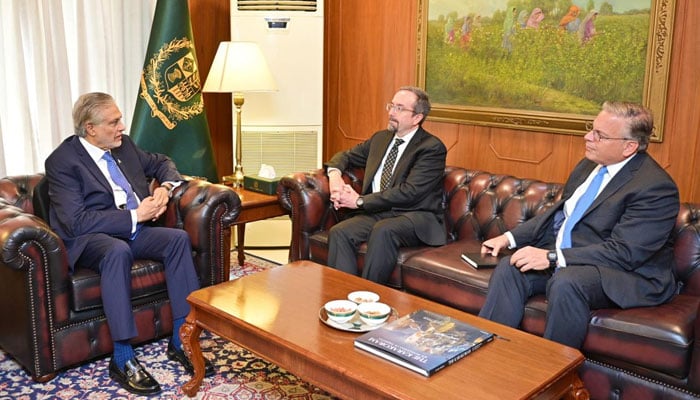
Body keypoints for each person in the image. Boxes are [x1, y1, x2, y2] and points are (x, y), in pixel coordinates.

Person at [44, 92, 215, 395]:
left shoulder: (124, 147)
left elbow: (163, 162)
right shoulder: (62, 162)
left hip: (134, 228)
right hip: (93, 239)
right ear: (90, 128)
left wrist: (165, 188)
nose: (122, 126)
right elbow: (76, 222)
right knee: (117, 251)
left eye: (119, 118)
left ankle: (181, 339)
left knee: (177, 240)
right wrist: (136, 215)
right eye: (113, 122)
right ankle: (123, 357)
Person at [477, 101, 679, 349]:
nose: (587, 137)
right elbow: (561, 212)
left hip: (626, 274)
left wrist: (552, 257)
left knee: (568, 282)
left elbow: (624, 253)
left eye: (599, 135)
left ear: (629, 147)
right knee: (511, 266)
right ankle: (488, 355)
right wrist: (509, 238)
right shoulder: (588, 165)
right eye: (591, 128)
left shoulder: (654, 187)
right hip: (575, 260)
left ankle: (553, 376)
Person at [325, 86, 447, 284]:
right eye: (391, 106)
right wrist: (335, 177)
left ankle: (368, 299)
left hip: (413, 215)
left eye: (399, 108)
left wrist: (359, 201)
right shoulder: (381, 139)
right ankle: (343, 298)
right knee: (340, 232)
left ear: (417, 118)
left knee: (384, 230)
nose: (391, 113)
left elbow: (410, 192)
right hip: (379, 211)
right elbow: (345, 156)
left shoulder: (431, 148)